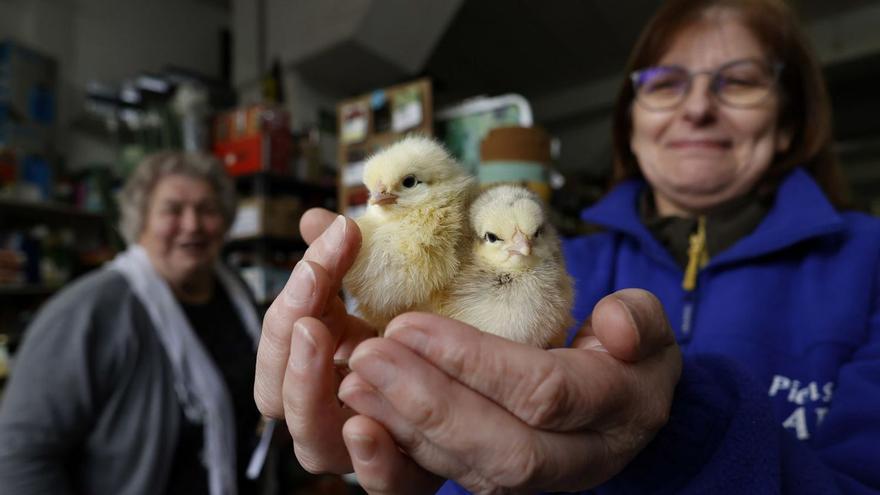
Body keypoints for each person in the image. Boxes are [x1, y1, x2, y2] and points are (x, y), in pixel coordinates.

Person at [252, 0, 880, 493]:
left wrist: (678, 433)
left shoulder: (868, 265)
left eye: (738, 82)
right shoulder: (563, 259)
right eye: (665, 84)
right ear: (631, 123)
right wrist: (425, 449)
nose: (696, 109)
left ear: (790, 119)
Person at [0, 152, 266, 495]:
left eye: (207, 209)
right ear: (140, 221)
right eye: (172, 210)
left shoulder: (237, 294)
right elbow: (19, 455)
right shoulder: (88, 310)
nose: (193, 224)